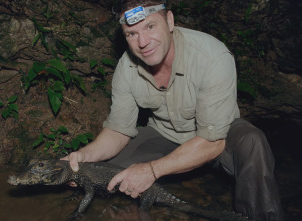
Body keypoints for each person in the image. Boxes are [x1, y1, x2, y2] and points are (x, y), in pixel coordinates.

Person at [62, 0, 284, 220]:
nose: (143, 42)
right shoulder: (126, 68)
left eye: (150, 26)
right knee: (95, 170)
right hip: (166, 135)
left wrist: (150, 170)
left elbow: (211, 142)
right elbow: (118, 131)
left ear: (169, 21)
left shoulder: (212, 56)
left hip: (217, 138)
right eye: (132, 34)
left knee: (252, 141)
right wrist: (84, 155)